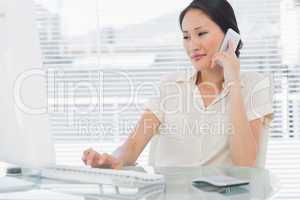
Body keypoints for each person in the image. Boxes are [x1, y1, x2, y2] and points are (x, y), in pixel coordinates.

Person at [82, 0, 273, 169]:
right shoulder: (170, 86)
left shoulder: (255, 86)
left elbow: (245, 162)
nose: (193, 45)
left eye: (201, 33)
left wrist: (233, 82)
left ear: (230, 37)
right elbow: (132, 146)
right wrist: (112, 160)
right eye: (186, 36)